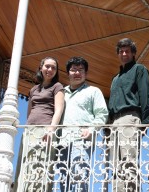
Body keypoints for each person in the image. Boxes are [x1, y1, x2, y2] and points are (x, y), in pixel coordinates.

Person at [58, 56, 108, 192]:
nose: (77, 73)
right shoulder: (61, 93)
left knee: (79, 176)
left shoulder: (93, 91)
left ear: (86, 73)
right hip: (62, 142)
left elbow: (102, 114)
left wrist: (91, 129)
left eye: (81, 70)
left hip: (82, 140)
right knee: (63, 180)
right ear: (68, 72)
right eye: (74, 70)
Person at [15, 56, 65, 192]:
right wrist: (27, 128)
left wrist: (51, 130)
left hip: (45, 130)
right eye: (47, 66)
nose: (50, 69)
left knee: (39, 165)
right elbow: (29, 112)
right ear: (41, 68)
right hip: (30, 130)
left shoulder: (57, 87)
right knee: (25, 163)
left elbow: (58, 110)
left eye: (53, 67)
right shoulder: (34, 89)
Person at [108, 38, 149, 192]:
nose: (124, 54)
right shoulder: (115, 78)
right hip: (114, 122)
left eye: (127, 51)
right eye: (121, 51)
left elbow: (145, 95)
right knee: (115, 163)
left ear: (133, 53)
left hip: (130, 118)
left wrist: (145, 122)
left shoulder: (139, 69)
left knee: (128, 161)